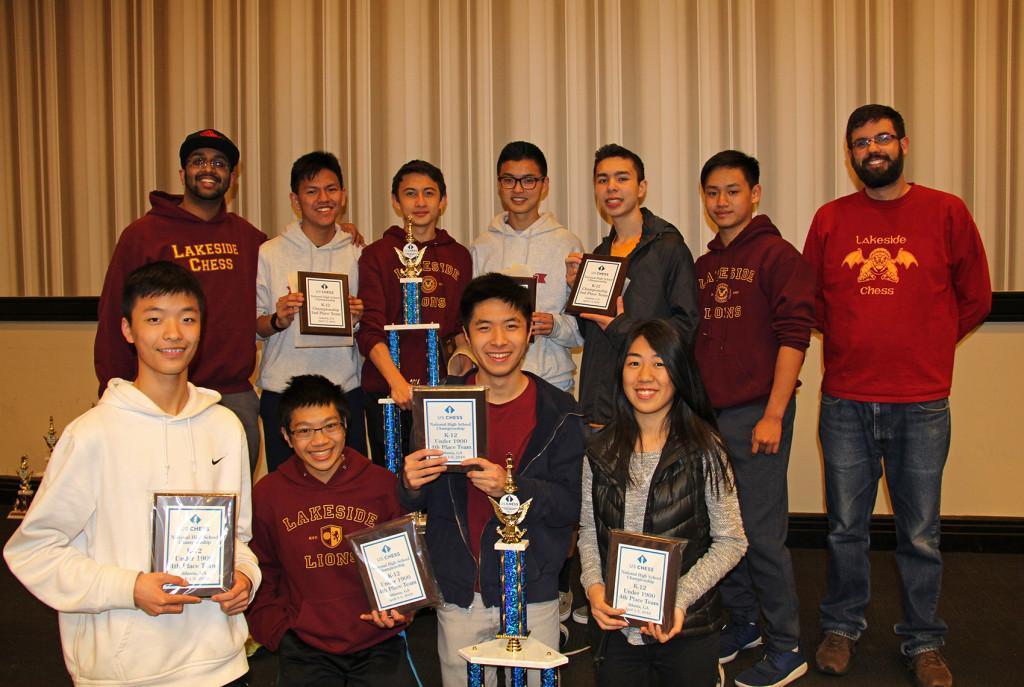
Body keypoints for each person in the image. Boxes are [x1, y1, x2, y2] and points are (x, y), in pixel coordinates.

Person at [803, 104, 992, 687]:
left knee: (919, 530)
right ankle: (842, 627)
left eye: (882, 138)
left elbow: (977, 296)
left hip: (922, 402)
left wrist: (931, 347)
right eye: (860, 142)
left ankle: (924, 640)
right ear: (849, 153)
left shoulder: (946, 212)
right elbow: (811, 301)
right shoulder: (831, 219)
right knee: (845, 527)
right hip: (846, 401)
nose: (872, 149)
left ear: (904, 143)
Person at [5, 261, 261, 687]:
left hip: (219, 662)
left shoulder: (224, 428)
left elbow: (238, 538)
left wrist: (245, 577)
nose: (174, 334)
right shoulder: (92, 435)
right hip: (127, 670)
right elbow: (34, 551)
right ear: (127, 329)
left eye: (187, 318)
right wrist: (129, 587)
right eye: (155, 319)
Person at [398, 273, 586, 687]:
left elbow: (573, 505)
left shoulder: (560, 412)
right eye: (484, 327)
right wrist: (410, 483)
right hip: (461, 590)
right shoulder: (436, 404)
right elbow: (416, 501)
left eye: (511, 326)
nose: (498, 340)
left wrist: (513, 489)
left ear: (529, 333)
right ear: (465, 335)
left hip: (532, 588)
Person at [694, 150, 815, 687]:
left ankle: (787, 646)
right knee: (725, 532)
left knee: (763, 535)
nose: (722, 202)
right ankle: (743, 624)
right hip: (710, 421)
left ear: (755, 194)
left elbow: (795, 339)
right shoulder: (703, 266)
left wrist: (773, 415)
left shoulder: (778, 256)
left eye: (733, 191)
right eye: (713, 193)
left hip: (756, 418)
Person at [579, 319, 746, 687]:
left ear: (679, 373)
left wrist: (680, 599)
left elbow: (732, 541)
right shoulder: (599, 449)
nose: (645, 375)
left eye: (659, 363)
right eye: (634, 362)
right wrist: (594, 589)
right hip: (616, 627)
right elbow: (589, 533)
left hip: (687, 628)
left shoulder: (706, 448)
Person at [94, 128, 267, 472]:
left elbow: (289, 275)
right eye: (198, 161)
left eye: (219, 163)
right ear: (182, 173)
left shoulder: (247, 237)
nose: (208, 168)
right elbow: (115, 312)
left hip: (231, 395)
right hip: (159, 394)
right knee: (155, 497)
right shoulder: (143, 235)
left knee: (231, 506)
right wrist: (111, 390)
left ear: (232, 177)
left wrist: (340, 232)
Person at [246, 374, 417, 686]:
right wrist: (278, 633)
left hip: (378, 639)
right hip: (303, 644)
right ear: (286, 436)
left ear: (345, 426)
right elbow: (262, 570)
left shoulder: (381, 485)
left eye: (329, 426)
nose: (320, 441)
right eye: (304, 431)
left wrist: (401, 608)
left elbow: (403, 567)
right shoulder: (268, 494)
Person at [566, 144, 699, 428]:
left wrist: (620, 326)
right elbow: (592, 334)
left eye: (622, 178)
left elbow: (686, 329)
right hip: (596, 407)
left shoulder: (669, 248)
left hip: (646, 411)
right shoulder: (599, 254)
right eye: (603, 180)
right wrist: (575, 292)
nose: (611, 187)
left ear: (641, 188)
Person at [256, 151, 367, 471]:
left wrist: (357, 319)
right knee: (288, 497)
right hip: (283, 391)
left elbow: (367, 327)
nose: (323, 198)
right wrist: (278, 319)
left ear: (343, 195)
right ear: (295, 199)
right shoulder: (270, 252)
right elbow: (255, 325)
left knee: (348, 494)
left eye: (331, 189)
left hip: (344, 389)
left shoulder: (359, 253)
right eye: (311, 191)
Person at [357, 159, 472, 465]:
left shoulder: (460, 256)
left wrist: (462, 375)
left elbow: (461, 328)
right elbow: (369, 331)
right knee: (393, 480)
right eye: (410, 194)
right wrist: (397, 382)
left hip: (441, 394)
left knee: (443, 478)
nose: (420, 202)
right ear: (396, 201)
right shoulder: (376, 254)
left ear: (443, 200)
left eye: (429, 193)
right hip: (387, 392)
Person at [470, 140, 584, 392]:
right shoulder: (482, 246)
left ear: (544, 185)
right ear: (499, 185)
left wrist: (553, 325)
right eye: (509, 180)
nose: (518, 189)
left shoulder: (567, 243)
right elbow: (471, 320)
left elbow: (581, 329)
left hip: (552, 380)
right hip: (494, 384)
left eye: (529, 180)